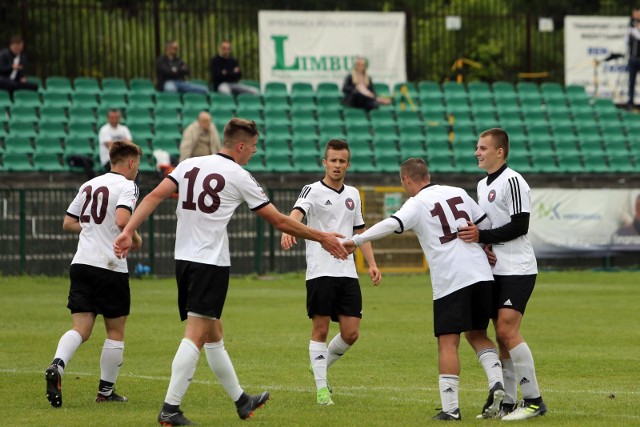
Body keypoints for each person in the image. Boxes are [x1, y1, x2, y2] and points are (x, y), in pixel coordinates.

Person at [113, 118, 348, 426]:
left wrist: (129, 229)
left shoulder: (188, 165)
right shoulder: (239, 175)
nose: (253, 152)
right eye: (252, 147)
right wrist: (323, 237)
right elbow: (278, 220)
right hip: (209, 263)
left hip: (183, 260)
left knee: (214, 334)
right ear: (240, 146)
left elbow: (154, 196)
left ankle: (241, 400)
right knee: (196, 335)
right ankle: (170, 408)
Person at [343, 158, 503, 421]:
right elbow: (485, 225)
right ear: (427, 175)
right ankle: (496, 382)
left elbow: (392, 223)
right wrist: (487, 247)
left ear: (406, 179)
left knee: (447, 342)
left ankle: (451, 409)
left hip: (452, 279)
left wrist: (357, 239)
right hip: (482, 273)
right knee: (477, 334)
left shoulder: (417, 203)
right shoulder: (458, 192)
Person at [281, 139, 382, 406]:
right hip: (320, 271)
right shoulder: (311, 190)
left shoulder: (353, 194)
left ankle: (319, 366)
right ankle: (322, 390)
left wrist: (371, 264)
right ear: (324, 162)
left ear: (348, 164)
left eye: (342, 161)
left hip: (347, 273)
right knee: (321, 328)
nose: (337, 165)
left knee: (351, 333)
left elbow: (361, 233)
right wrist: (288, 230)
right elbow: (296, 215)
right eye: (333, 160)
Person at [44, 141, 143, 408]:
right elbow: (122, 220)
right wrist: (134, 236)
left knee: (81, 329)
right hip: (110, 265)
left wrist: (92, 229)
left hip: (82, 263)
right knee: (115, 331)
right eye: (137, 165)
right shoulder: (128, 185)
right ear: (131, 163)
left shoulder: (89, 184)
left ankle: (57, 365)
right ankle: (106, 392)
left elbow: (68, 222)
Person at [457, 128, 547, 420]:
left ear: (500, 152)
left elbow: (520, 226)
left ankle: (533, 401)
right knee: (500, 334)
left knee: (508, 331)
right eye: (477, 147)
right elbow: (489, 227)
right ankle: (508, 401)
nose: (477, 152)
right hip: (494, 268)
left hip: (517, 267)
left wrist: (482, 234)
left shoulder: (514, 180)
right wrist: (484, 242)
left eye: (482, 148)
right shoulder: (482, 185)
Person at [628, 8, 640, 109]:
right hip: (633, 58)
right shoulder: (630, 24)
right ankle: (630, 102)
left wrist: (637, 29)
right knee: (631, 82)